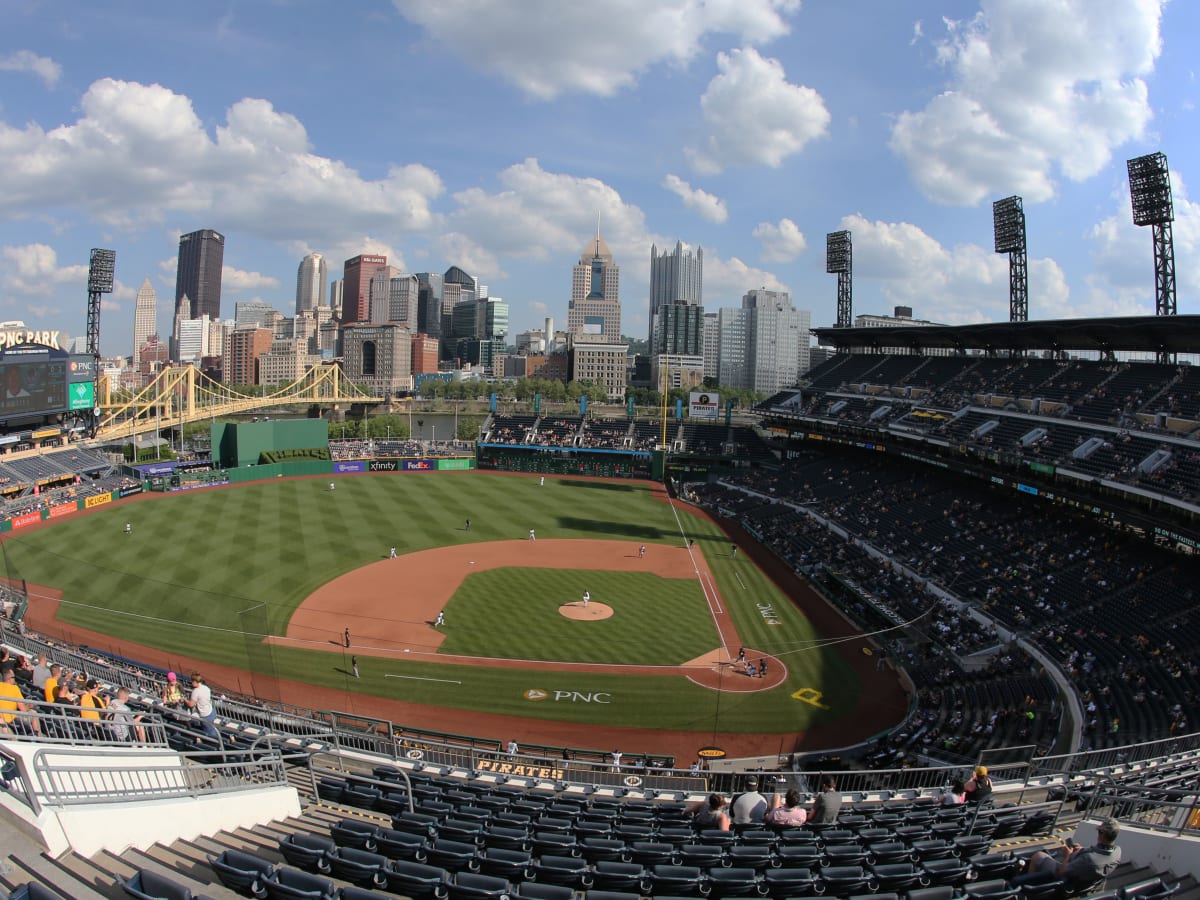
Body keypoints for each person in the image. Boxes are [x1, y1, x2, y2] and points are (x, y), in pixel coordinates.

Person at [1014, 819, 1122, 891]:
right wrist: (1081, 849)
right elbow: (1098, 853)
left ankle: (1028, 886)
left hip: (1067, 878)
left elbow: (1062, 872)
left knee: (1038, 855)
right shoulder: (1117, 852)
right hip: (1088, 882)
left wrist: (1067, 855)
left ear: (1102, 834)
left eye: (1099, 832)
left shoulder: (1089, 859)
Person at [0, 667, 38, 736]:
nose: (15, 679)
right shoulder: (14, 688)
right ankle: (38, 736)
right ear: (9, 679)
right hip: (11, 719)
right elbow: (23, 709)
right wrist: (29, 706)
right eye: (13, 677)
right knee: (33, 713)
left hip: (2, 718)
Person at [185, 672, 219, 742]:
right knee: (212, 728)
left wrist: (185, 700)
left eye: (192, 681)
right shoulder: (206, 688)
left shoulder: (196, 691)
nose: (191, 683)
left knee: (210, 734)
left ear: (195, 681)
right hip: (212, 712)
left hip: (205, 715)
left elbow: (191, 704)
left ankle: (215, 744)